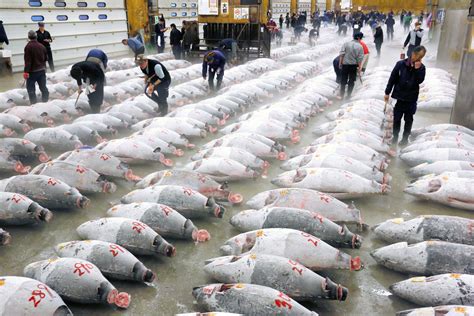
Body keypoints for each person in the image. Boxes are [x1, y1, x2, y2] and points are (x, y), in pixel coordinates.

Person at [384, 46, 426, 146]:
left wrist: (417, 69)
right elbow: (392, 78)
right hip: (399, 97)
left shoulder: (422, 67)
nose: (419, 58)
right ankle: (395, 137)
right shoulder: (400, 64)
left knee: (409, 119)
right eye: (418, 56)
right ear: (413, 54)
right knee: (397, 118)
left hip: (411, 98)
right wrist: (387, 92)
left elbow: (420, 80)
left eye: (422, 56)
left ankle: (405, 139)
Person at [24, 30, 49, 104]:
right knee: (43, 87)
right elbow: (46, 58)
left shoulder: (28, 47)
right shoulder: (42, 46)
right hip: (42, 71)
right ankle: (45, 101)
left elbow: (28, 61)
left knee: (30, 89)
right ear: (36, 36)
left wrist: (26, 72)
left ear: (29, 37)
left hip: (32, 72)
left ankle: (34, 104)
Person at [338, 32, 364, 99]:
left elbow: (342, 54)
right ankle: (348, 96)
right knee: (351, 81)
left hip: (345, 65)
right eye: (361, 38)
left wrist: (340, 63)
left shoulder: (346, 44)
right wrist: (359, 68)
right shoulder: (360, 46)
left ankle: (341, 95)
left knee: (343, 80)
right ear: (358, 38)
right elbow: (360, 59)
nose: (361, 40)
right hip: (353, 66)